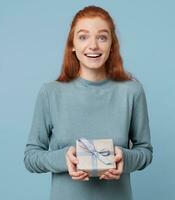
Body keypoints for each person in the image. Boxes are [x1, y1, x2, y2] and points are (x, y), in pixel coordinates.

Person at [24, 5, 153, 200]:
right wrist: (63, 158)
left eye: (102, 37)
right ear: (72, 45)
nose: (93, 45)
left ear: (112, 45)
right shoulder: (50, 93)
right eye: (83, 37)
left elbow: (145, 151)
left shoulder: (131, 91)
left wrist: (125, 159)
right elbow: (31, 157)